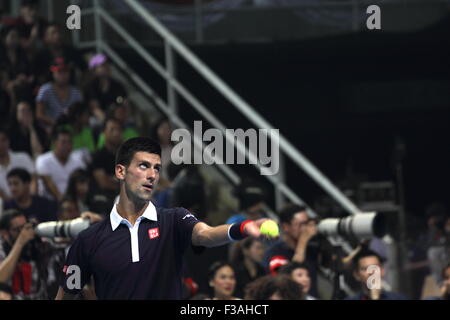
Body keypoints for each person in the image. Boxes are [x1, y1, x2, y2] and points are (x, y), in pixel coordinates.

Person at [55, 136, 275, 299]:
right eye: (144, 166)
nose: (152, 175)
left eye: (157, 168)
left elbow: (206, 235)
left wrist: (243, 227)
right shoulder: (89, 240)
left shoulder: (174, 220)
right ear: (120, 172)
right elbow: (67, 294)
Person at [0, 209, 60, 299]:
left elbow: (63, 243)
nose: (24, 232)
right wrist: (20, 242)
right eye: (18, 229)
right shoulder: (2, 249)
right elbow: (1, 279)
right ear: (4, 233)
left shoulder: (37, 244)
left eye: (25, 227)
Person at [263, 203, 319, 296]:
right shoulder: (274, 253)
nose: (305, 229)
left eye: (307, 223)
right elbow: (284, 281)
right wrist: (303, 241)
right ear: (285, 227)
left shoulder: (311, 249)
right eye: (301, 224)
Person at [35, 127, 86, 201]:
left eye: (70, 142)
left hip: (74, 201)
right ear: (54, 143)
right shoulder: (43, 160)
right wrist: (64, 201)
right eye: (63, 142)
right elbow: (49, 185)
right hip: (50, 201)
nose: (67, 146)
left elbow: (82, 184)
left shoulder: (78, 160)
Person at [35, 57, 83, 131]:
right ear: (53, 73)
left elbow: (81, 114)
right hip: (50, 128)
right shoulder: (45, 90)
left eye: (65, 71)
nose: (63, 75)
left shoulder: (76, 92)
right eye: (59, 72)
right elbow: (39, 114)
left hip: (71, 129)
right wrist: (56, 123)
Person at [84, 53, 127, 124]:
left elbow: (124, 103)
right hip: (99, 119)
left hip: (116, 117)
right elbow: (94, 108)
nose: (106, 67)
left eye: (107, 64)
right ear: (94, 70)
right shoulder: (91, 87)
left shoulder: (117, 85)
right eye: (102, 65)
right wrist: (107, 121)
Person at [90, 117, 123, 207]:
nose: (116, 133)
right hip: (104, 196)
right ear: (104, 133)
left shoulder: (126, 155)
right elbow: (103, 183)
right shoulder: (98, 156)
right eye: (112, 129)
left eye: (118, 129)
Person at [0, 127, 36, 200]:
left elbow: (33, 180)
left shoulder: (23, 157)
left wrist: (32, 200)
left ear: (8, 141)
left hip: (30, 200)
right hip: (6, 205)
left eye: (3, 140)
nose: (1, 144)